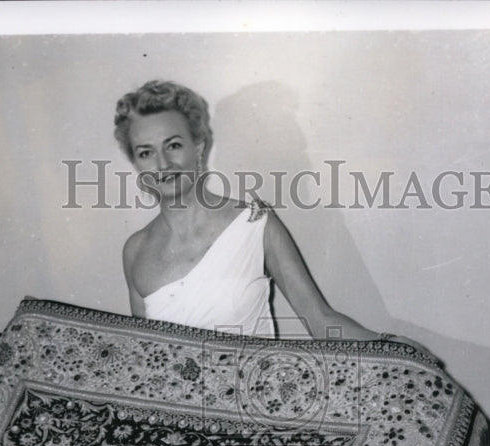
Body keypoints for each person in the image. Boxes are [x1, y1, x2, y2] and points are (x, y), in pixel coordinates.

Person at [114, 79, 382, 341]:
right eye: (146, 153)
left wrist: (394, 346)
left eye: (173, 146)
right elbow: (144, 358)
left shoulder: (254, 222)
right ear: (136, 163)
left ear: (198, 149)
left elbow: (322, 321)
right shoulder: (135, 250)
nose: (162, 164)